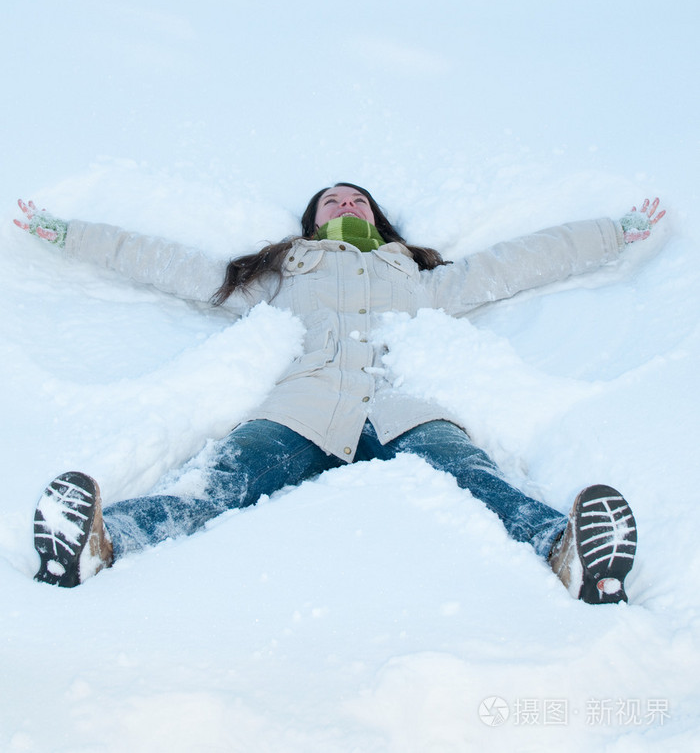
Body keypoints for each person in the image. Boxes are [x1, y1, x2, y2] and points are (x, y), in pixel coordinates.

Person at [15, 185, 665, 603]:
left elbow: (521, 260)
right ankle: (103, 543)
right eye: (332, 201)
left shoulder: (416, 274)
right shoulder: (280, 272)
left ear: (378, 219)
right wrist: (70, 234)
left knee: (481, 481)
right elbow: (172, 264)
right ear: (311, 221)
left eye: (358, 201)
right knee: (214, 489)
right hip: (302, 411)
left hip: (402, 410)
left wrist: (615, 233)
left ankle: (568, 552)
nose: (346, 206)